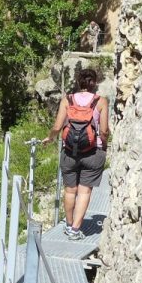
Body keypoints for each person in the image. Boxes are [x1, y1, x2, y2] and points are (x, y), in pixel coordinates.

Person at [42, 68, 109, 240]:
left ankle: (69, 224)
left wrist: (49, 139)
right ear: (95, 83)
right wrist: (104, 145)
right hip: (93, 152)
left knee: (70, 191)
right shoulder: (101, 102)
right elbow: (104, 130)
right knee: (84, 192)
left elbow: (57, 127)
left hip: (70, 152)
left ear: (78, 82)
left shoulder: (68, 100)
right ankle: (75, 230)